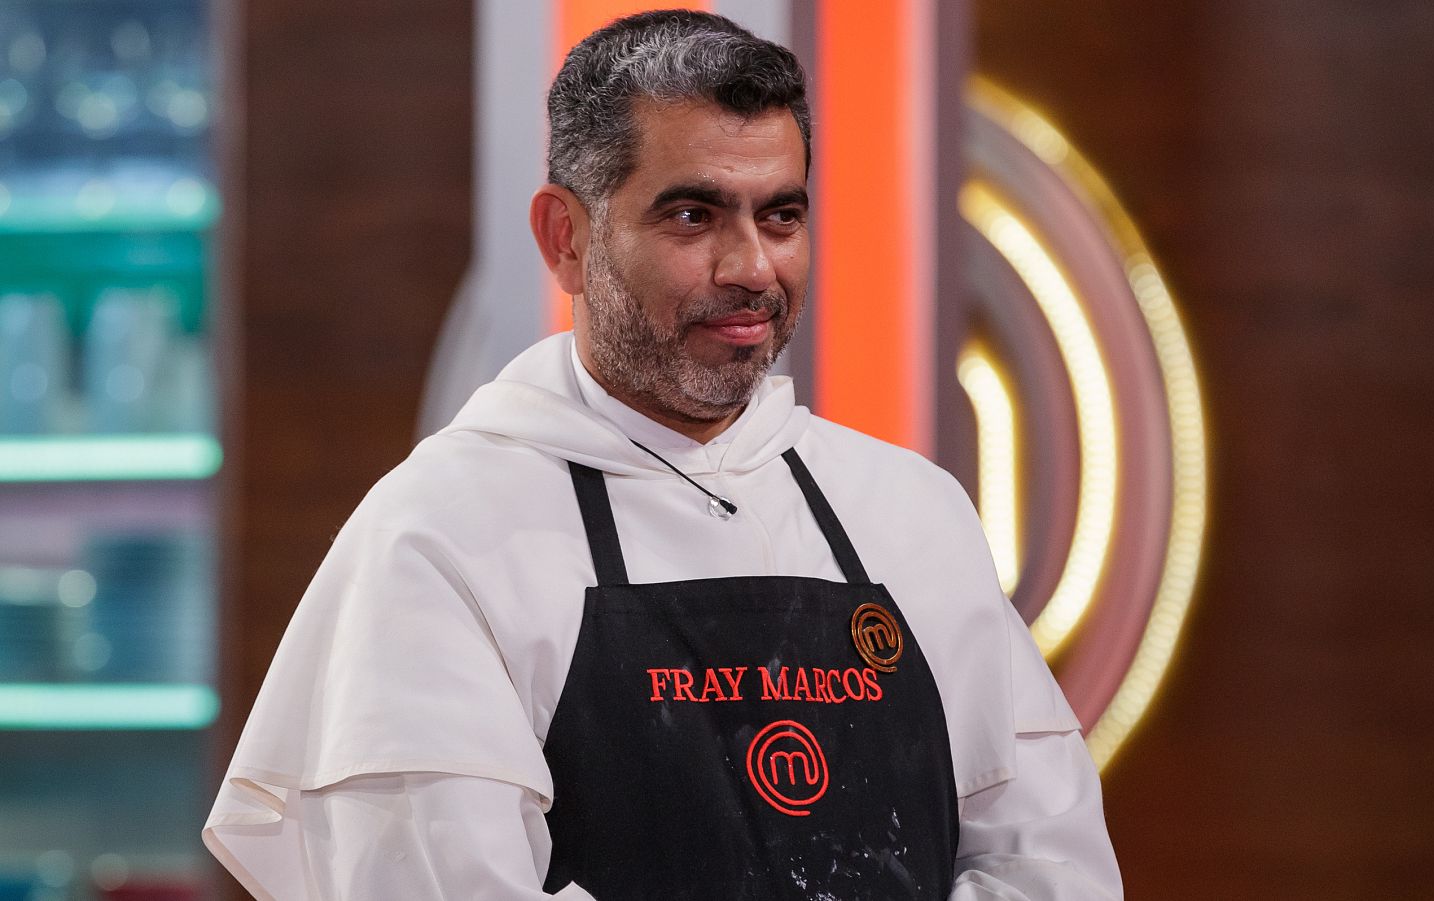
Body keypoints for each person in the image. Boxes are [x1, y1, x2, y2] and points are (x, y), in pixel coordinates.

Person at [204, 10, 1121, 900]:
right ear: (566, 238)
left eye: (781, 215)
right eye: (693, 215)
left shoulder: (913, 512)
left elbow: (1052, 863)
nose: (752, 268)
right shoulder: (439, 535)